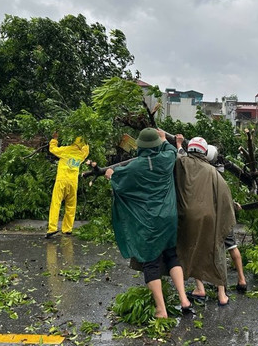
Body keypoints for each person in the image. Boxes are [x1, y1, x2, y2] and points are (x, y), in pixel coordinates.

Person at [104, 128, 191, 318]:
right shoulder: (167, 159)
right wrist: (163, 138)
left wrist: (110, 174)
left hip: (149, 221)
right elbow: (170, 150)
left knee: (150, 261)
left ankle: (161, 309)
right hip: (169, 217)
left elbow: (118, 182)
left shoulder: (134, 168)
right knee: (171, 255)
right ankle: (184, 299)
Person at [175, 136, 236, 306]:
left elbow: (179, 155)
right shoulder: (212, 171)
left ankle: (199, 289)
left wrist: (179, 144)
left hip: (188, 217)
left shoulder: (182, 162)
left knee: (193, 250)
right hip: (210, 218)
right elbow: (224, 197)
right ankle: (222, 295)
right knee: (216, 251)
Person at [206, 144, 247, 292]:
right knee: (232, 246)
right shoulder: (220, 171)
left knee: (215, 250)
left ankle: (218, 284)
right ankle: (242, 279)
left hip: (214, 218)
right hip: (226, 215)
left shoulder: (207, 173)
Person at [46, 133, 89, 239]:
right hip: (73, 183)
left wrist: (55, 138)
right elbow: (86, 150)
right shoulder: (81, 154)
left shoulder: (65, 150)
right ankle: (67, 229)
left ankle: (52, 228)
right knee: (71, 206)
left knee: (56, 203)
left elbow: (52, 149)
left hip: (62, 180)